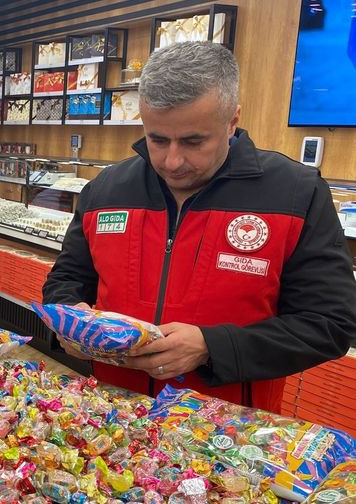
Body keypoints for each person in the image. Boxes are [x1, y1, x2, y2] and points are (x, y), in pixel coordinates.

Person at [42, 41, 356, 414]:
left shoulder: (296, 193)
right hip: (113, 421)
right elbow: (65, 281)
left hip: (229, 435)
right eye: (157, 139)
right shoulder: (106, 189)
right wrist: (70, 327)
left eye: (193, 141)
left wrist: (211, 346)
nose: (172, 161)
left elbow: (331, 324)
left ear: (232, 121)